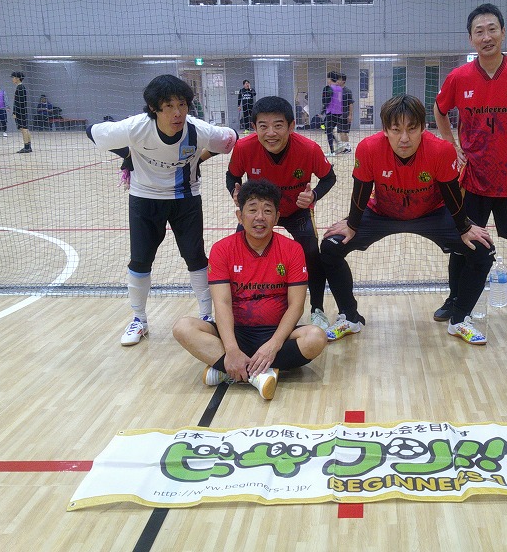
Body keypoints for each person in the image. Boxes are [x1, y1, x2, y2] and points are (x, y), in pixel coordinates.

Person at [320, 94, 495, 345]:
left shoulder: (441, 150)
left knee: (482, 249)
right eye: (396, 130)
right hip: (382, 213)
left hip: (431, 213)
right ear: (385, 130)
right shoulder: (369, 148)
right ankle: (349, 317)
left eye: (412, 129)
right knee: (330, 247)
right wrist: (352, 224)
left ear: (423, 127)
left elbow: (451, 193)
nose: (404, 138)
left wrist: (465, 227)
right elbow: (361, 190)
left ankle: (459, 319)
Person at [86, 74, 238, 346]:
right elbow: (92, 131)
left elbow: (231, 139)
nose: (177, 113)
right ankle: (139, 319)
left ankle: (206, 316)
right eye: (169, 106)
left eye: (182, 104)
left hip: (186, 198)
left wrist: (199, 159)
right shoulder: (136, 128)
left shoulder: (198, 130)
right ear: (154, 108)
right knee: (140, 260)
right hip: (144, 199)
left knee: (195, 257)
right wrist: (128, 154)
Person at [433, 3, 507, 329]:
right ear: (470, 39)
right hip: (472, 179)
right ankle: (454, 299)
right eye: (479, 32)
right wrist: (451, 144)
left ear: (503, 32)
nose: (486, 37)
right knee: (465, 243)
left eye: (492, 29)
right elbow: (439, 109)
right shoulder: (458, 77)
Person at [172, 179, 328, 400]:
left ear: (277, 217)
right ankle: (258, 375)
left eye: (267, 211)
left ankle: (229, 370)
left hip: (277, 333)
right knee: (183, 327)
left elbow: (296, 306)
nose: (260, 217)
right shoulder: (222, 249)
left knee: (316, 337)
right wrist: (231, 349)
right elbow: (222, 303)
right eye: (252, 210)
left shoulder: (292, 250)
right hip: (235, 332)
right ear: (240, 216)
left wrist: (273, 344)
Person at [226, 96, 337, 331]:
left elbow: (329, 178)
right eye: (263, 126)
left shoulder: (309, 149)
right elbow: (232, 176)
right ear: (254, 127)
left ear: (291, 126)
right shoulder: (244, 148)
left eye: (278, 125)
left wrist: (314, 195)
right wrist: (235, 193)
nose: (271, 133)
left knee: (311, 252)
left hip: (296, 210)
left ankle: (317, 309)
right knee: (239, 251)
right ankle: (239, 308)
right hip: (260, 213)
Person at [321, 71, 344, 155]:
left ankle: (332, 151)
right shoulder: (340, 89)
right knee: (329, 130)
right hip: (339, 112)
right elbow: (340, 100)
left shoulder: (329, 88)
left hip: (331, 112)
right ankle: (338, 144)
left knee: (328, 131)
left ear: (330, 79)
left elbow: (327, 101)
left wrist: (322, 111)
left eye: (328, 78)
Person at [10, 72, 32, 153]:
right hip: (22, 111)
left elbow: (18, 102)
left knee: (23, 129)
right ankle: (29, 146)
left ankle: (26, 147)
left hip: (20, 112)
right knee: (25, 129)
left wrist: (15, 112)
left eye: (13, 77)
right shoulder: (21, 87)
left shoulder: (20, 87)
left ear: (18, 78)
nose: (12, 79)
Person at [337, 73, 354, 154]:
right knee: (340, 132)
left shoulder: (347, 91)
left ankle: (348, 147)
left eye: (339, 79)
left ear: (343, 81)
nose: (337, 81)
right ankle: (344, 147)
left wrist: (350, 115)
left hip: (345, 115)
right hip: (338, 115)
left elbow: (351, 104)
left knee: (344, 132)